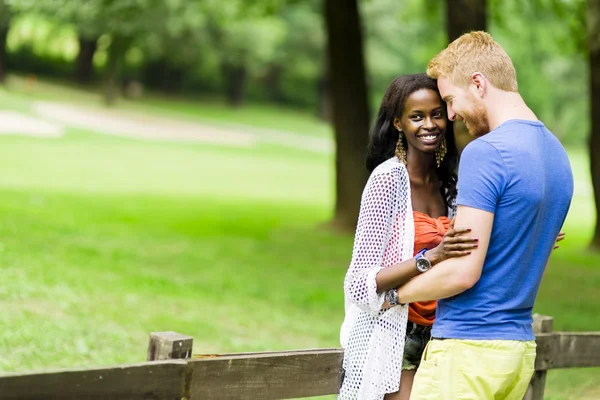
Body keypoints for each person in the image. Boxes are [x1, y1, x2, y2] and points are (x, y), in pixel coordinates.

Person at [393, 32, 574, 400]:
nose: (452, 114)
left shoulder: (486, 152)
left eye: (450, 99)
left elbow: (463, 270)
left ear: (478, 83)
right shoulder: (558, 156)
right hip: (516, 353)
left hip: (467, 353)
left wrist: (395, 295)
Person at [339, 73, 478, 400]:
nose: (429, 124)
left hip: (445, 335)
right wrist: (430, 258)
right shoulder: (387, 181)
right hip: (394, 334)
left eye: (437, 114)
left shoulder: (452, 184)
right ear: (398, 123)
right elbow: (359, 283)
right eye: (417, 116)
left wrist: (531, 232)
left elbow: (471, 246)